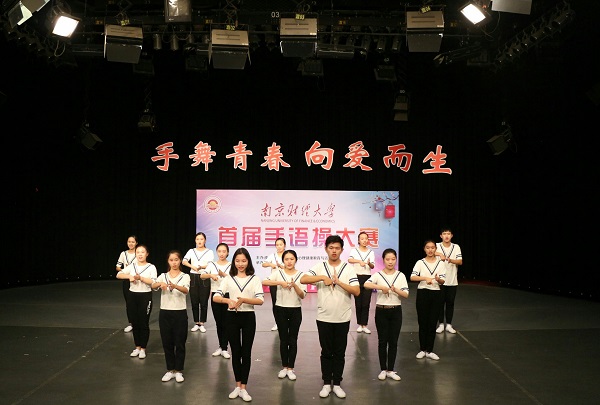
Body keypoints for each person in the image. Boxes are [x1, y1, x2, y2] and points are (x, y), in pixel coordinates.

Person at [300, 235, 359, 399]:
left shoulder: (348, 269)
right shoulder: (320, 266)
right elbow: (303, 279)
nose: (334, 251)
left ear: (342, 250)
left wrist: (339, 282)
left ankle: (337, 383)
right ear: (326, 249)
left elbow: (356, 291)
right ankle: (327, 383)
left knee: (340, 352)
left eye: (337, 248)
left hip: (342, 317)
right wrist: (322, 277)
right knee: (326, 351)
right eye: (331, 248)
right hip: (324, 317)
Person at [213, 247, 264, 402]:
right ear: (233, 262)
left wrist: (244, 300)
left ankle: (244, 388)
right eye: (237, 261)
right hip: (231, 317)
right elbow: (216, 296)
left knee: (246, 352)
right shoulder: (229, 278)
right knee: (236, 352)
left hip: (248, 317)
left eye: (243, 261)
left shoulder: (254, 279)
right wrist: (227, 300)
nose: (240, 264)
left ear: (248, 261)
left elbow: (260, 300)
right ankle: (237, 386)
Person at [364, 248, 409, 381]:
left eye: (393, 259)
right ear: (383, 260)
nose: (390, 262)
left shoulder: (400, 275)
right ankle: (383, 369)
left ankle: (391, 369)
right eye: (387, 259)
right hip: (381, 311)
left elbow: (406, 294)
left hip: (396, 311)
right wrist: (381, 287)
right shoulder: (378, 275)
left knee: (393, 341)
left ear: (396, 260)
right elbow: (366, 284)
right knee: (382, 341)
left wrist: (395, 290)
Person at [262, 249, 306, 381]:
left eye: (292, 259)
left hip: (295, 309)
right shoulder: (278, 273)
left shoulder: (301, 275)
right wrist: (280, 283)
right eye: (286, 259)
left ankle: (291, 368)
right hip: (280, 309)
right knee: (283, 339)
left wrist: (295, 286)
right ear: (283, 261)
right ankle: (284, 367)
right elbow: (264, 282)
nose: (289, 261)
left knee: (293, 339)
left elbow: (303, 295)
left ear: (296, 260)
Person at [151, 250, 190, 383]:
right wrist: (160, 284)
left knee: (180, 342)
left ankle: (178, 370)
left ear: (180, 261)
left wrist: (175, 286)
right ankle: (170, 369)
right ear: (168, 261)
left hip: (180, 312)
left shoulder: (185, 276)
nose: (174, 263)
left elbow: (186, 290)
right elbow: (153, 285)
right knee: (167, 342)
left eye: (176, 260)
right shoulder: (163, 275)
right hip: (165, 312)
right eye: (171, 260)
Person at [116, 244, 157, 360]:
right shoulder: (132, 266)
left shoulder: (151, 267)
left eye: (142, 252)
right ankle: (137, 347)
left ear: (147, 254)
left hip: (145, 296)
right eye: (138, 252)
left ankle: (143, 348)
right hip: (132, 296)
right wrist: (129, 277)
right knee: (135, 322)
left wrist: (141, 278)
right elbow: (118, 274)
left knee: (143, 322)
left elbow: (153, 282)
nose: (140, 254)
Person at [410, 239, 446, 361]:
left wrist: (438, 279)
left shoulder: (440, 263)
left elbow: (443, 280)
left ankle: (430, 350)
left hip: (436, 293)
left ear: (435, 249)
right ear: (424, 249)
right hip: (423, 293)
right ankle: (422, 349)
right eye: (428, 247)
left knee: (432, 322)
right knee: (423, 322)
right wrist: (425, 278)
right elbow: (413, 277)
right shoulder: (420, 262)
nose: (430, 250)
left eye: (432, 247)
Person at [203, 242, 232, 359]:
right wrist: (211, 275)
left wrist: (223, 274)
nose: (221, 254)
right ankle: (221, 346)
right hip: (215, 295)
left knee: (227, 322)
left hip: (228, 295)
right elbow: (202, 276)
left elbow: (235, 279)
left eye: (224, 251)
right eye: (219, 251)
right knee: (218, 322)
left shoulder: (231, 265)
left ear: (228, 253)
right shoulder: (211, 264)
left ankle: (225, 348)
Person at [182, 232, 214, 333]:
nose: (199, 241)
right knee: (194, 301)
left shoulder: (209, 252)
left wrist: (201, 267)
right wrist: (192, 266)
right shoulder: (191, 251)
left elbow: (210, 264)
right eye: (197, 239)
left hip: (204, 276)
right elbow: (184, 261)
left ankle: (202, 323)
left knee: (204, 301)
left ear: (205, 240)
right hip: (193, 276)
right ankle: (196, 322)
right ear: (195, 240)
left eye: (201, 239)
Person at [435, 228, 463, 334]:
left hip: (452, 280)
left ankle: (449, 325)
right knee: (440, 303)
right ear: (441, 236)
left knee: (450, 303)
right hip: (440, 280)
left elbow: (460, 261)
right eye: (444, 234)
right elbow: (430, 252)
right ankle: (441, 324)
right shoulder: (437, 246)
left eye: (448, 234)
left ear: (451, 235)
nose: (446, 236)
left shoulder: (456, 247)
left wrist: (450, 260)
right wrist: (440, 255)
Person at [347, 231, 375, 334]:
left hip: (367, 278)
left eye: (366, 238)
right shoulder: (354, 251)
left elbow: (372, 266)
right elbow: (350, 260)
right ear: (358, 240)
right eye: (362, 239)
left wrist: (369, 263)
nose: (364, 240)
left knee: (366, 302)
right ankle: (360, 324)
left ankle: (365, 325)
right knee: (358, 302)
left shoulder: (371, 252)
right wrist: (359, 261)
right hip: (356, 277)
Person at [262, 237, 286, 331]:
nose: (279, 246)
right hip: (274, 282)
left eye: (281, 244)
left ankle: (284, 321)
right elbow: (263, 264)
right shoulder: (272, 255)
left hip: (285, 282)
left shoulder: (287, 255)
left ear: (284, 245)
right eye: (277, 245)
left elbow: (291, 267)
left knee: (285, 302)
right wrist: (270, 264)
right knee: (275, 303)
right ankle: (277, 322)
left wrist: (281, 266)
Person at [115, 235, 138, 333]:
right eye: (129, 242)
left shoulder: (139, 253)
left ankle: (139, 322)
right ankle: (131, 323)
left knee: (137, 302)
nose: (131, 243)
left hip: (136, 280)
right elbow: (117, 267)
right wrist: (124, 271)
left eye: (133, 242)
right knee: (129, 303)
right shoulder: (123, 254)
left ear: (136, 243)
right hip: (126, 280)